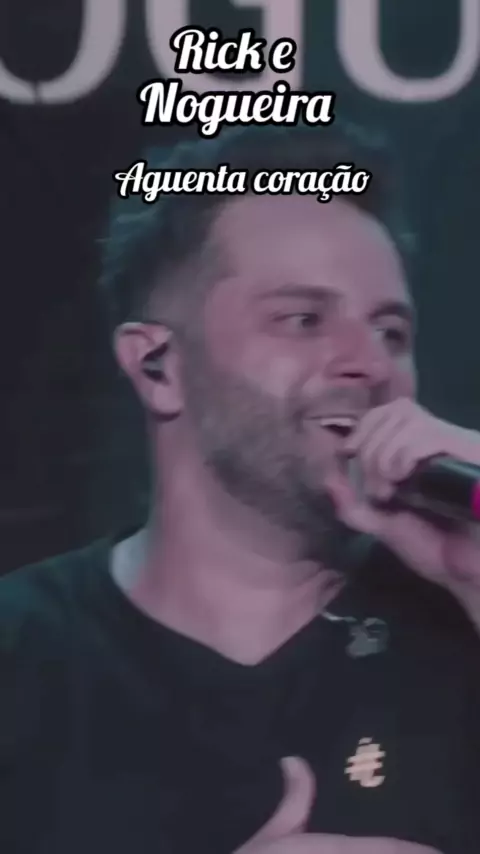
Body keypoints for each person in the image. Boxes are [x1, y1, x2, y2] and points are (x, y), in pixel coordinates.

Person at [1, 124, 480, 854]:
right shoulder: (21, 653)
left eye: (391, 331)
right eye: (303, 320)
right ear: (158, 367)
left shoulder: (461, 621)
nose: (370, 363)